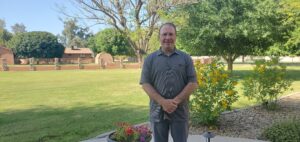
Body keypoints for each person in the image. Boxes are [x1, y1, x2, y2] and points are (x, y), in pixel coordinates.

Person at [140, 22, 198, 142]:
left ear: (175, 36)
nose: (167, 38)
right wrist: (162, 102)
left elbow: (193, 82)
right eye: (164, 34)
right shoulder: (150, 59)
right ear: (159, 37)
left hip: (180, 111)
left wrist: (174, 102)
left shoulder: (185, 58)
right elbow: (145, 83)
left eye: (171, 34)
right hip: (157, 111)